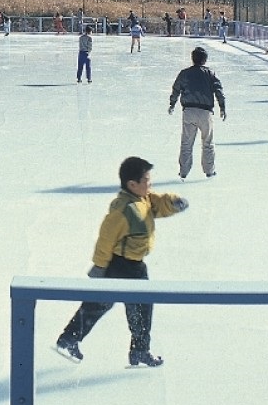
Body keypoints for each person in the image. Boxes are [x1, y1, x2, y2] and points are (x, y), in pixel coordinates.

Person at [54, 156, 188, 368]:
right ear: (132, 185)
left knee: (140, 308)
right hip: (120, 265)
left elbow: (158, 204)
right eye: (146, 180)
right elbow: (105, 239)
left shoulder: (144, 200)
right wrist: (99, 267)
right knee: (101, 303)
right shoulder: (123, 210)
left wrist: (173, 202)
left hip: (136, 265)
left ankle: (139, 351)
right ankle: (69, 339)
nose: (150, 184)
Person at [168, 46, 226, 179]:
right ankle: (209, 171)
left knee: (186, 143)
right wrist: (222, 107)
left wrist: (172, 103)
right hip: (205, 113)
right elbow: (219, 91)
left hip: (189, 111)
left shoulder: (184, 73)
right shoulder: (210, 74)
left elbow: (176, 89)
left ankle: (183, 172)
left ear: (192, 59)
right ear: (205, 60)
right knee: (207, 143)